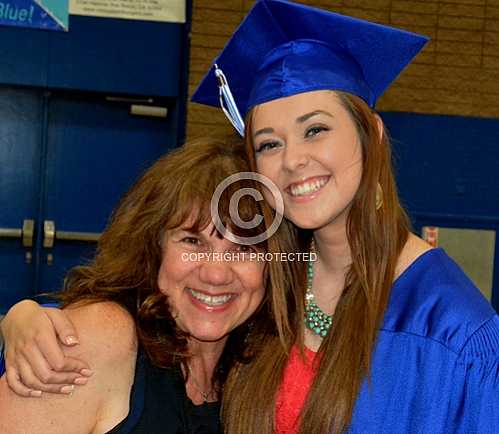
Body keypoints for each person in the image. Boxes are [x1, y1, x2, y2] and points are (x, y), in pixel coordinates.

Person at [3, 1, 499, 433]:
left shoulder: (452, 331)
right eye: (269, 143)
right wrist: (23, 319)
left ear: (371, 132)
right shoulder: (273, 281)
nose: (292, 161)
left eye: (316, 129)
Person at [0, 135, 292, 433]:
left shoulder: (259, 370)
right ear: (153, 248)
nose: (216, 274)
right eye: (192, 241)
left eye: (244, 249)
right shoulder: (100, 337)